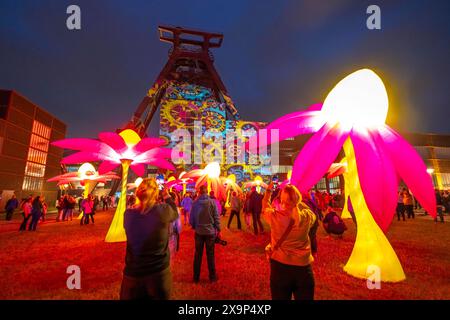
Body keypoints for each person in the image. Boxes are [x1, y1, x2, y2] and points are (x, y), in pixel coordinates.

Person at [120, 178, 178, 300]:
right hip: (158, 273)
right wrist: (166, 195)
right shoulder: (163, 211)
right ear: (156, 194)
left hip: (132, 274)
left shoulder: (128, 214)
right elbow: (175, 213)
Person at [262, 183, 316, 300]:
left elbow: (265, 207)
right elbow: (312, 214)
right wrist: (296, 201)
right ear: (298, 199)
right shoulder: (306, 217)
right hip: (303, 269)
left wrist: (268, 192)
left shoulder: (275, 217)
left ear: (281, 200)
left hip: (280, 268)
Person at [190, 185, 221, 283]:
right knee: (210, 255)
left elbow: (192, 218)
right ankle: (212, 277)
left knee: (198, 255)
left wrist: (195, 226)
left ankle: (196, 278)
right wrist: (218, 229)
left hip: (199, 231)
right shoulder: (212, 202)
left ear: (199, 192)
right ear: (206, 192)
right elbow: (216, 216)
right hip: (210, 232)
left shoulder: (195, 203)